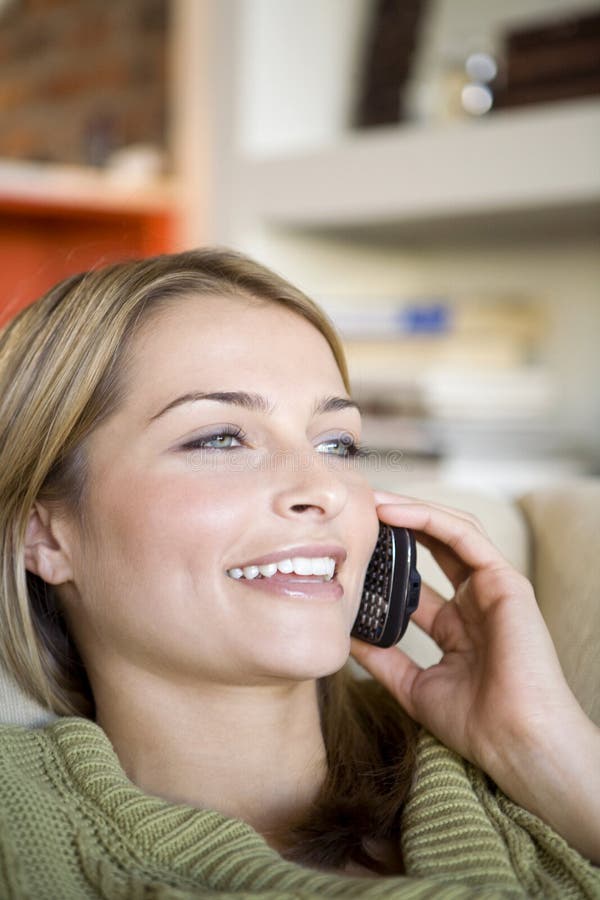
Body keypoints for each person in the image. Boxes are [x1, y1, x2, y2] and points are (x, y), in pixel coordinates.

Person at [0, 247, 598, 900]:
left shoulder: (512, 770)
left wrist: (546, 751)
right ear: (46, 534)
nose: (323, 488)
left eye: (336, 444)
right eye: (221, 438)